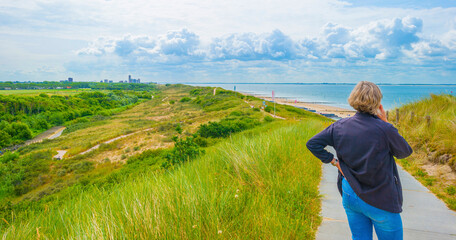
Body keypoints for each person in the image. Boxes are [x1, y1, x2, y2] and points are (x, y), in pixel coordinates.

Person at [306, 81, 412, 240]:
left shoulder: (339, 126)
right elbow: (404, 152)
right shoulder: (384, 129)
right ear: (377, 102)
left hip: (350, 194)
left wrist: (334, 162)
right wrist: (387, 123)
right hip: (381, 199)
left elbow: (312, 143)